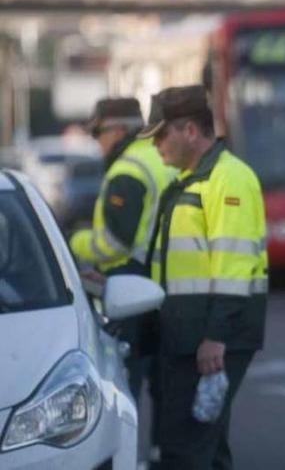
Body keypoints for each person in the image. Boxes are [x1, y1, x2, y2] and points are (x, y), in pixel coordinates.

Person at [142, 85, 268, 470]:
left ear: (190, 132)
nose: (156, 145)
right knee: (206, 448)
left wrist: (216, 337)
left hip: (212, 338)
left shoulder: (228, 179)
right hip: (190, 333)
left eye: (161, 135)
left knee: (185, 447)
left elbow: (233, 270)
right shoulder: (189, 179)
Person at [70, 97, 176, 402]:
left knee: (125, 379)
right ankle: (160, 448)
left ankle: (126, 446)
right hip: (166, 278)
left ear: (117, 131)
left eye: (97, 133)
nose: (97, 142)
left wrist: (76, 241)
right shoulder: (160, 158)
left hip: (128, 284)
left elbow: (115, 243)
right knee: (163, 379)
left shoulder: (127, 170)